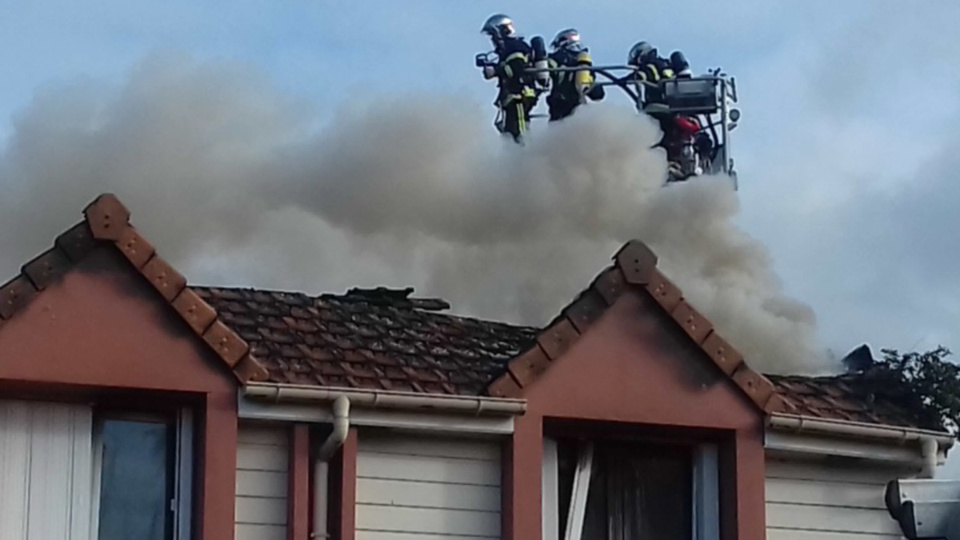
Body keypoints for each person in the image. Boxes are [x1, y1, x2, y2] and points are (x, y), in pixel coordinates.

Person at [479, 14, 539, 143]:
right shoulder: (507, 49)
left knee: (519, 129)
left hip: (518, 95)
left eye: (493, 35)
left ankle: (525, 151)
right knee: (510, 132)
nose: (493, 39)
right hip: (512, 98)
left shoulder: (514, 46)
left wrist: (495, 71)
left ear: (503, 30)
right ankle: (515, 154)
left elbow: (517, 68)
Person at [545, 28, 605, 121]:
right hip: (579, 105)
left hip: (560, 104)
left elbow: (545, 73)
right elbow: (597, 95)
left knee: (557, 131)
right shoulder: (585, 63)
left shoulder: (557, 57)